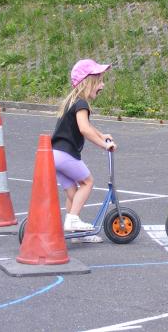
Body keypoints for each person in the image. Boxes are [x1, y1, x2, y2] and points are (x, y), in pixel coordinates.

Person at [51, 59, 116, 244]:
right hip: (65, 154)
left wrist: (102, 135)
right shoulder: (82, 104)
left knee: (73, 194)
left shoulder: (72, 102)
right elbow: (84, 129)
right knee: (87, 183)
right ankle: (72, 221)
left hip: (54, 154)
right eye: (99, 80)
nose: (102, 85)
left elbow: (88, 126)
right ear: (88, 82)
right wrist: (105, 145)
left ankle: (75, 233)